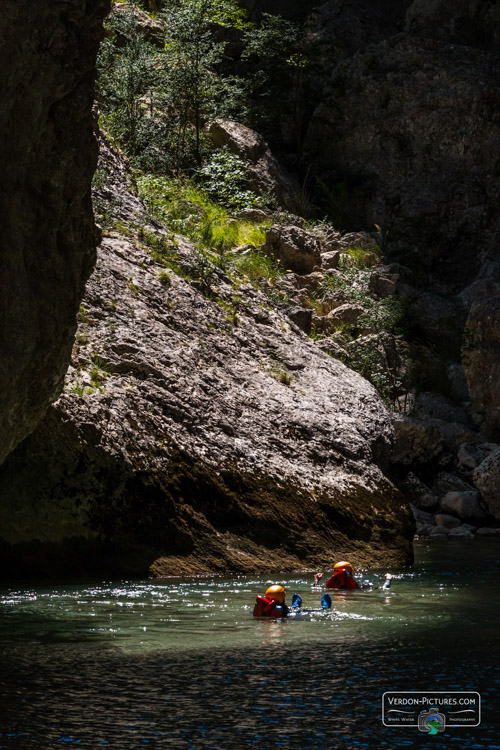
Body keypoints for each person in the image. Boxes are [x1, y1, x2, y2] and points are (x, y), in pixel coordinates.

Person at [253, 585, 332, 617]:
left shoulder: (262, 609)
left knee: (292, 609)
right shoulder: (283, 610)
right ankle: (325, 607)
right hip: (290, 614)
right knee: (312, 611)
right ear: (283, 596)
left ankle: (296, 605)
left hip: (286, 612)